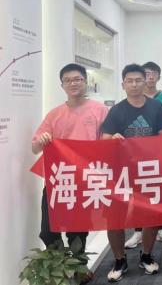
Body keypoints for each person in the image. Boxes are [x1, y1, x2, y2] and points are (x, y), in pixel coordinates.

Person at [32, 63, 107, 284]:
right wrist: (42, 140)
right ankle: (59, 267)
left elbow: (107, 142)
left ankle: (79, 267)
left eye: (77, 79)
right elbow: (35, 148)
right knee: (48, 230)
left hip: (84, 180)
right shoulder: (55, 114)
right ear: (62, 85)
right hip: (58, 180)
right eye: (68, 80)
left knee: (78, 230)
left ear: (85, 82)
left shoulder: (100, 110)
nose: (73, 83)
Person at [102, 64, 162, 282]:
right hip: (121, 172)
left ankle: (146, 255)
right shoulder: (116, 110)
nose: (134, 84)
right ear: (123, 84)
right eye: (129, 81)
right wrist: (112, 139)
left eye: (138, 80)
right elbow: (104, 138)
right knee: (115, 218)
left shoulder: (156, 106)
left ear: (145, 81)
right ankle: (119, 259)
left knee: (151, 215)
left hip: (149, 170)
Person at [130, 61, 162, 246]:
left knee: (159, 190)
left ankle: (161, 228)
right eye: (147, 73)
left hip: (159, 153)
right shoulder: (133, 98)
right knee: (138, 192)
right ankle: (138, 231)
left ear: (158, 76)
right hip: (137, 154)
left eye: (153, 73)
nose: (150, 76)